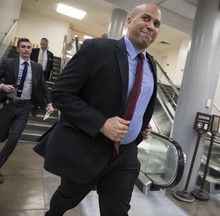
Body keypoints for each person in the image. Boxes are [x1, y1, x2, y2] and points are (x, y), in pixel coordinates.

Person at [33, 3, 162, 216]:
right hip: (88, 148)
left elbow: (139, 101)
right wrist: (101, 123)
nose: (151, 26)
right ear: (130, 21)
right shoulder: (97, 49)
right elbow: (61, 94)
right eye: (146, 18)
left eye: (156, 24)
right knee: (66, 199)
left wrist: (140, 124)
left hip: (125, 155)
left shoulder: (151, 65)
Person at [0, 38, 54, 183]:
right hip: (8, 105)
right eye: (23, 47)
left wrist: (48, 103)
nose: (26, 49)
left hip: (24, 108)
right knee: (1, 136)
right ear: (18, 49)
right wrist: (2, 86)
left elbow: (43, 86)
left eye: (28, 47)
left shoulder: (36, 67)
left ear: (31, 49)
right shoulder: (8, 63)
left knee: (13, 139)